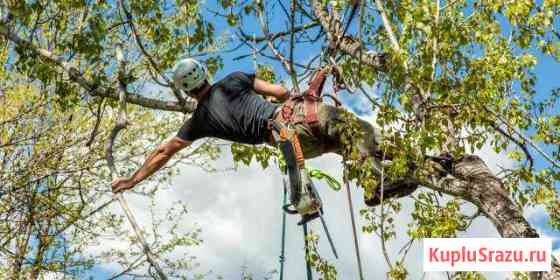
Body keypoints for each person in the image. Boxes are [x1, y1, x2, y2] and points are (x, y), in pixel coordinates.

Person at [111, 58, 417, 206]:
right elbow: (281, 91)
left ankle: (397, 173)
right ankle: (377, 180)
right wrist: (277, 99)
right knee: (359, 130)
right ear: (205, 74)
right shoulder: (233, 80)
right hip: (294, 119)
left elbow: (166, 149)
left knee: (349, 144)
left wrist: (132, 179)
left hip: (290, 145)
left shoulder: (199, 121)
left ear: (188, 92)